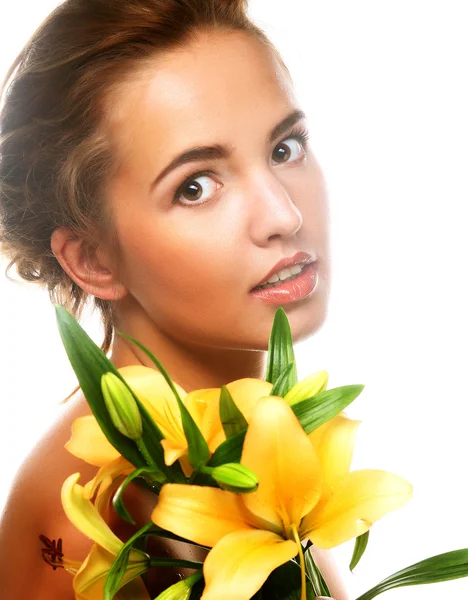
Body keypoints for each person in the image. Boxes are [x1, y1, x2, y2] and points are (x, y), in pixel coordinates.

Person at [0, 0, 346, 598]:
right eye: (195, 187)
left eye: (284, 148)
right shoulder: (91, 517)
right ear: (93, 259)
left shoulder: (253, 443)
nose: (283, 216)